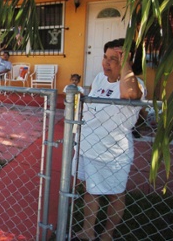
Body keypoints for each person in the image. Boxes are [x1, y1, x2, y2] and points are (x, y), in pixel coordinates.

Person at [72, 38, 145, 241]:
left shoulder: (136, 85)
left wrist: (125, 65)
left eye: (115, 59)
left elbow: (129, 94)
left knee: (115, 193)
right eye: (106, 57)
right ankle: (87, 231)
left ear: (128, 62)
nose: (107, 62)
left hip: (112, 151)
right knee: (91, 190)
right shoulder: (99, 79)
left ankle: (107, 234)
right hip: (89, 145)